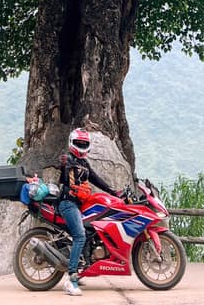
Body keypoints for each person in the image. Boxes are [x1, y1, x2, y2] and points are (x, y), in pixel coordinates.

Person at [58, 127, 118, 297]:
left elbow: (96, 179)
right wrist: (62, 164)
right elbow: (64, 173)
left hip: (80, 204)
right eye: (79, 143)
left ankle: (82, 267)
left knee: (90, 233)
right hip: (68, 203)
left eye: (84, 143)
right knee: (80, 236)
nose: (81, 145)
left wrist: (114, 192)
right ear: (72, 143)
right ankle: (71, 279)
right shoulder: (68, 159)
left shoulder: (84, 163)